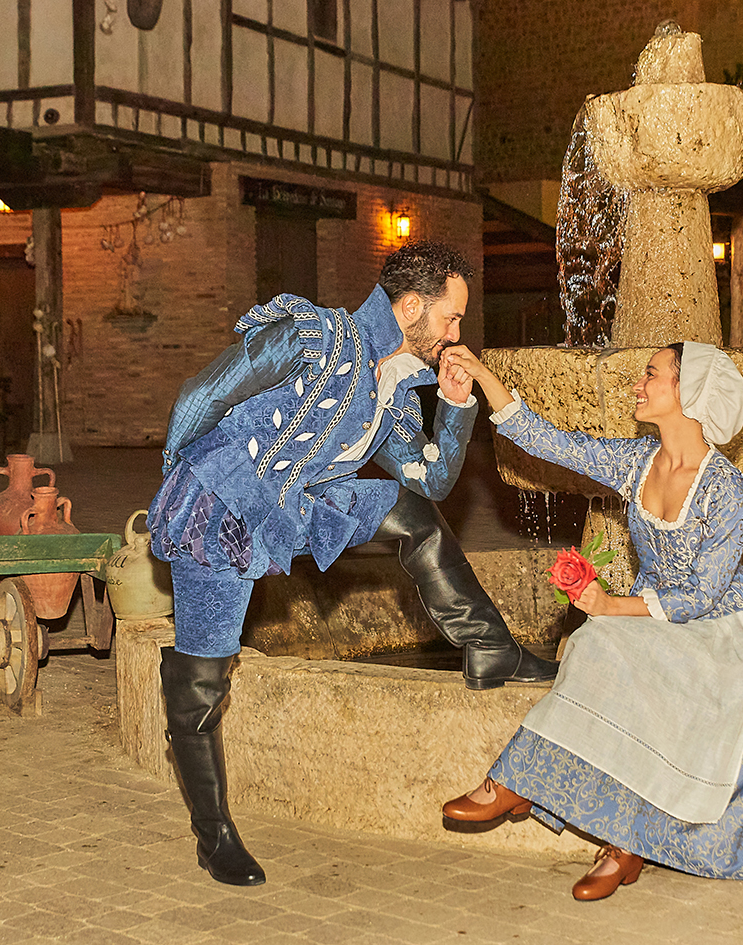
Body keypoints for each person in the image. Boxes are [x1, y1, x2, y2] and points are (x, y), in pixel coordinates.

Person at [147, 241, 559, 887]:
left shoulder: (395, 384)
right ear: (412, 305)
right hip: (221, 507)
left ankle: (490, 648)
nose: (457, 333)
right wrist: (181, 477)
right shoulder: (309, 335)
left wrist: (454, 407)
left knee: (411, 516)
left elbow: (430, 482)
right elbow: (200, 395)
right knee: (203, 676)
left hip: (299, 504)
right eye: (451, 318)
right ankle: (214, 834)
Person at [438, 341, 743, 900]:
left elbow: (700, 596)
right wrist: (483, 376)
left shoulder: (727, 491)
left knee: (614, 644)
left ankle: (620, 842)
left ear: (688, 393)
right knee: (595, 645)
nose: (638, 386)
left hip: (721, 632)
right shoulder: (637, 461)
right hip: (655, 612)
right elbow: (549, 442)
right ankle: (520, 783)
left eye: (652, 374)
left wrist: (611, 605)